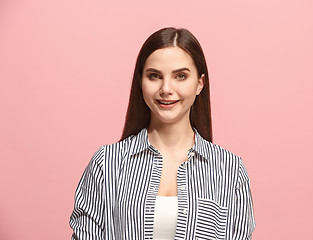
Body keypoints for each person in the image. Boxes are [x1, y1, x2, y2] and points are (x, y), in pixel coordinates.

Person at [69, 27, 256, 240]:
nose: (166, 88)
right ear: (141, 82)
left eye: (181, 76)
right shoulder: (107, 164)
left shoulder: (230, 170)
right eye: (155, 76)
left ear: (199, 84)